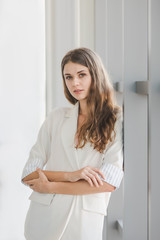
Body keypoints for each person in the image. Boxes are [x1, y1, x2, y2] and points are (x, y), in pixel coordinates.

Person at [21, 47, 124, 240]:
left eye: (81, 75)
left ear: (96, 75)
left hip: (83, 222)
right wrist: (71, 176)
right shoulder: (56, 118)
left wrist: (50, 186)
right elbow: (28, 174)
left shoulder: (116, 119)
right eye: (68, 77)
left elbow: (109, 181)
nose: (74, 83)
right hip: (44, 220)